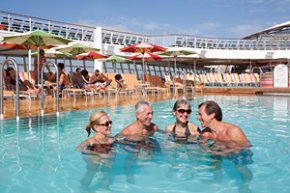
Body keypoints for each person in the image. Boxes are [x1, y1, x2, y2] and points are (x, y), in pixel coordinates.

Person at [76, 111, 115, 189]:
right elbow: (78, 148)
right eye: (106, 124)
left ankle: (105, 188)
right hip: (92, 153)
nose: (110, 125)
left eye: (110, 122)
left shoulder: (111, 139)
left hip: (105, 152)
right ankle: (83, 188)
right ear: (96, 127)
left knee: (107, 170)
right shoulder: (91, 141)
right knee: (92, 171)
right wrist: (96, 155)